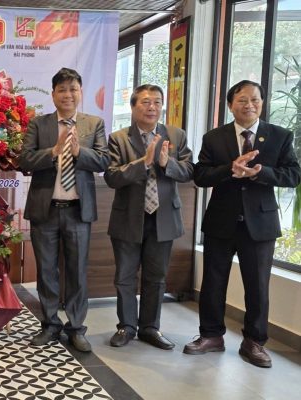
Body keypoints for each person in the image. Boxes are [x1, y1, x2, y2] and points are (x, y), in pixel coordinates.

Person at [184, 80, 300, 367]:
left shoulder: (280, 136)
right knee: (213, 282)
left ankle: (254, 342)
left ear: (262, 102)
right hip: (221, 220)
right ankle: (211, 335)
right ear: (230, 105)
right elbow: (201, 175)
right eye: (242, 100)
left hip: (260, 223)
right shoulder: (214, 137)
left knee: (257, 285)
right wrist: (230, 169)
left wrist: (260, 173)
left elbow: (292, 175)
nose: (249, 105)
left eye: (255, 99)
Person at [19, 67, 109, 352]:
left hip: (78, 211)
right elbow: (24, 160)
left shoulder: (93, 123)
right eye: (62, 90)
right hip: (45, 210)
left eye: (73, 89)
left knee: (77, 271)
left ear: (80, 92)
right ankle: (50, 325)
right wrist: (54, 152)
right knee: (46, 271)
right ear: (53, 94)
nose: (68, 95)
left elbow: (103, 161)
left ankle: (76, 327)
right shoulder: (39, 124)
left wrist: (79, 152)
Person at [104, 84, 193, 350]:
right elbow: (112, 176)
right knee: (125, 276)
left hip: (163, 218)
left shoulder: (175, 135)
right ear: (133, 107)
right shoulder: (119, 138)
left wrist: (167, 163)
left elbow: (189, 171)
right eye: (145, 102)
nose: (151, 107)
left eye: (156, 102)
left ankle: (150, 328)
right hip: (128, 217)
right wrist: (143, 162)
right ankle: (126, 326)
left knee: (157, 276)